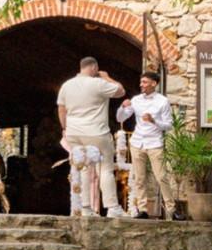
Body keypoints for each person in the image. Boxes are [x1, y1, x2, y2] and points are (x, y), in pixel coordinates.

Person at [57, 56, 128, 217]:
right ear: (94, 68)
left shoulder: (66, 85)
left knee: (83, 169)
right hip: (97, 132)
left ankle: (85, 207)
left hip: (74, 132)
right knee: (105, 169)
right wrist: (106, 77)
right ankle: (112, 207)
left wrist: (64, 128)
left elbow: (61, 109)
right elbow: (121, 91)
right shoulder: (98, 83)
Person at [116, 70, 177, 219]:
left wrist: (153, 121)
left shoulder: (162, 101)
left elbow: (169, 125)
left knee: (161, 176)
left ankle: (172, 210)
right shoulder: (136, 100)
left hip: (154, 143)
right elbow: (120, 118)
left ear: (153, 84)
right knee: (139, 178)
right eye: (141, 82)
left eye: (144, 82)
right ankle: (143, 210)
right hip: (137, 142)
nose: (141, 84)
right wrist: (123, 107)